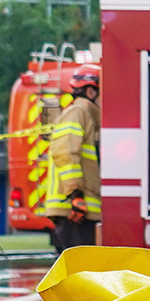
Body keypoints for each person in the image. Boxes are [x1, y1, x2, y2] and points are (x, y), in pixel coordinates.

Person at [44, 66, 101, 250]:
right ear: (91, 91)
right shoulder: (77, 112)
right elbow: (65, 152)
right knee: (77, 264)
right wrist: (76, 195)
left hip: (81, 208)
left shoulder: (87, 115)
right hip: (74, 209)